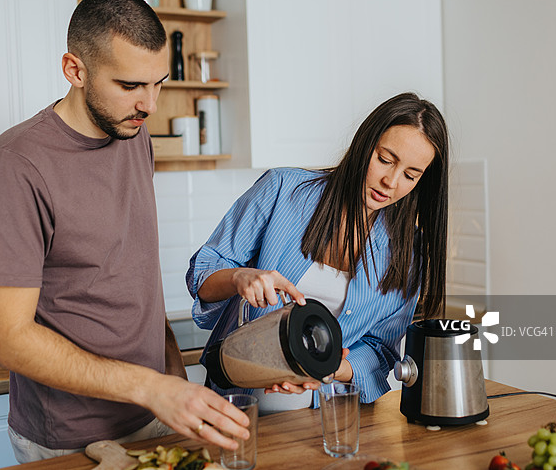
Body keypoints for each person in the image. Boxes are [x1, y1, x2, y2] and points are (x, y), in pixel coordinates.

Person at [0, 0, 249, 463]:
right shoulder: (15, 168)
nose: (150, 104)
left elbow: (136, 273)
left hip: (153, 413)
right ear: (75, 70)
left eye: (158, 83)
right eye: (131, 85)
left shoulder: (133, 135)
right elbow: (6, 339)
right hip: (69, 435)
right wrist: (151, 387)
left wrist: (173, 382)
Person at [186, 92, 449, 412]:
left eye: (410, 175)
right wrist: (241, 277)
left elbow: (381, 351)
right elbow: (203, 273)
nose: (390, 182)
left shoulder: (408, 252)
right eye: (385, 159)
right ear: (365, 143)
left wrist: (329, 367)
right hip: (238, 404)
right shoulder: (282, 189)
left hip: (327, 414)